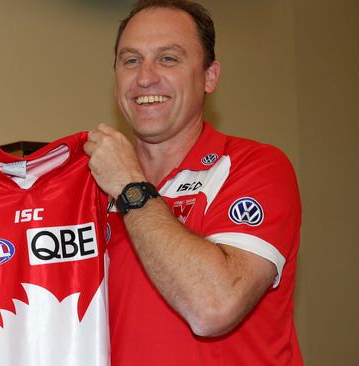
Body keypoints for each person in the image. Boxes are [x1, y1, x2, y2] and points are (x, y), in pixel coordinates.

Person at [83, 0, 303, 364]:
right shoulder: (85, 187)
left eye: (168, 58)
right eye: (131, 60)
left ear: (209, 76)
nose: (145, 77)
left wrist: (129, 187)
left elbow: (214, 307)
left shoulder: (256, 166)